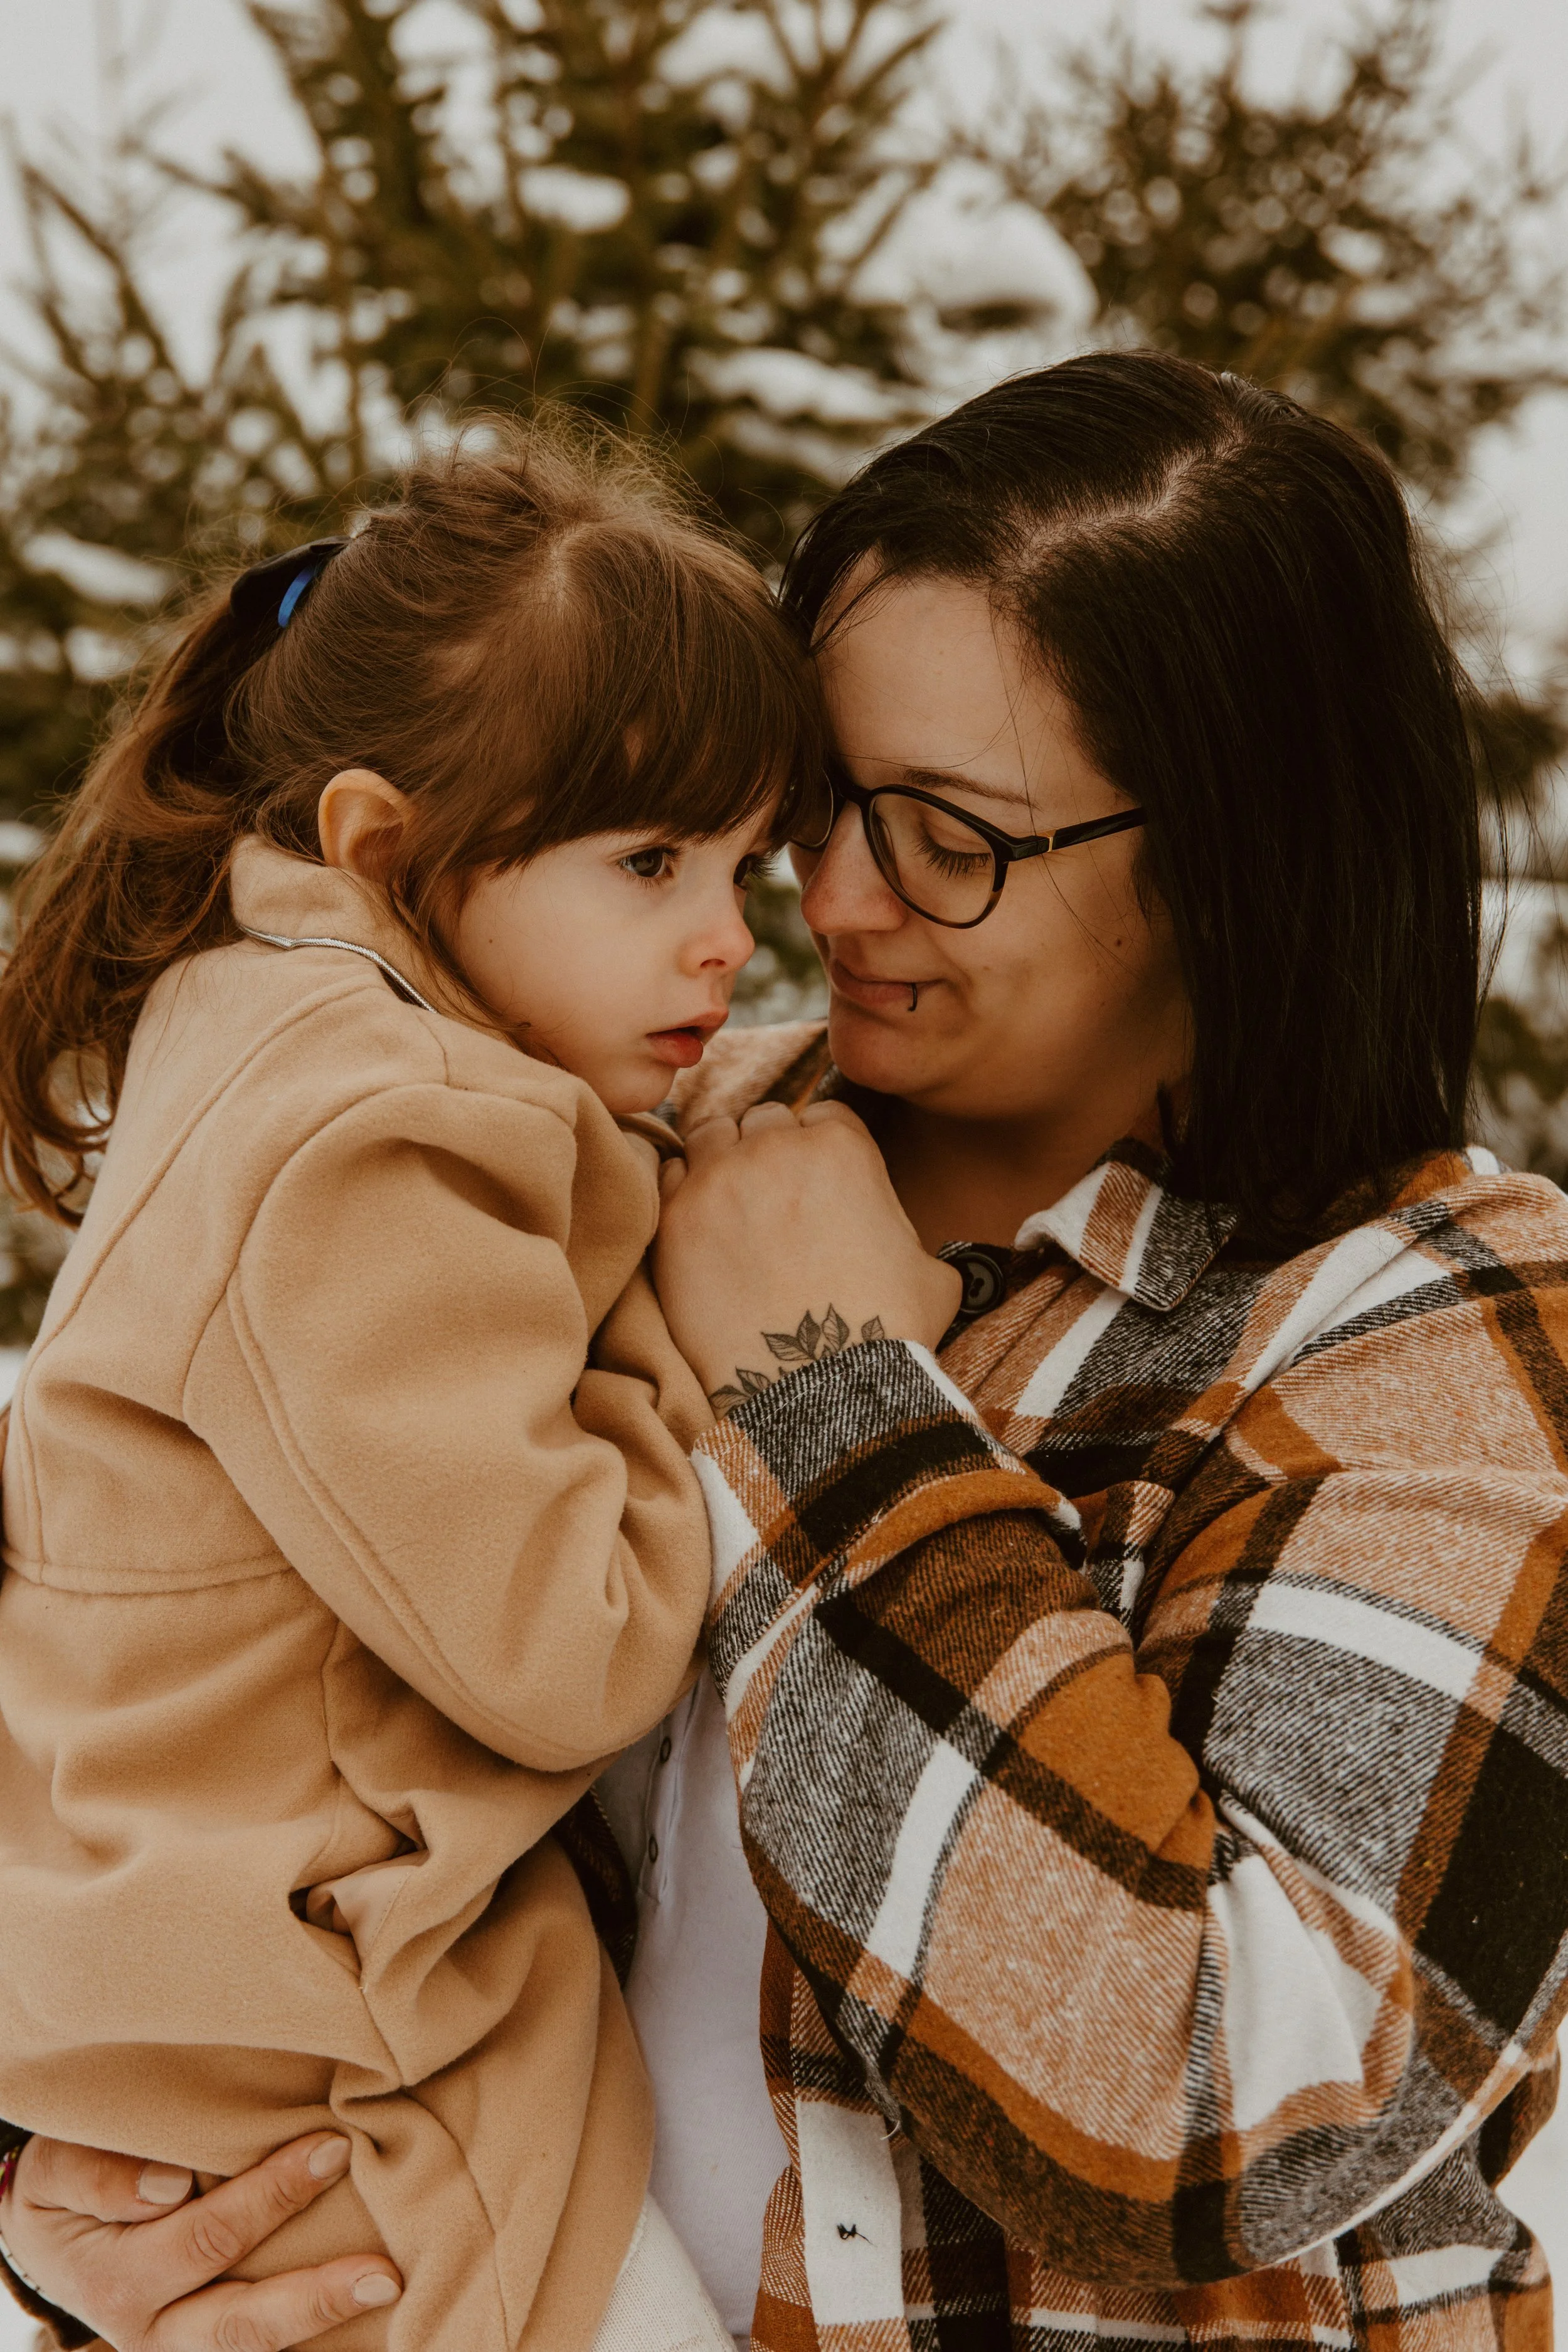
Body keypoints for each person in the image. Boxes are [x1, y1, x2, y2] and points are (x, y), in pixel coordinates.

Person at [8, 353, 1568, 2352]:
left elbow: (1224, 2106)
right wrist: (93, 2185)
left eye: (943, 833)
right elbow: (140, 1631)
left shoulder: (1429, 1328)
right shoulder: (596, 1139)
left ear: (1236, 855)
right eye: (818, 806)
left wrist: (839, 1400)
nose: (821, 902)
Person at [0, 419, 955, 2352]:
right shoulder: (376, 1151)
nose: (724, 931)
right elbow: (572, 1640)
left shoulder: (278, 1054)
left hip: (213, 2025)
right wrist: (742, 1341)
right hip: (344, 2081)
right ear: (384, 844)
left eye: (742, 860)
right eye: (648, 859)